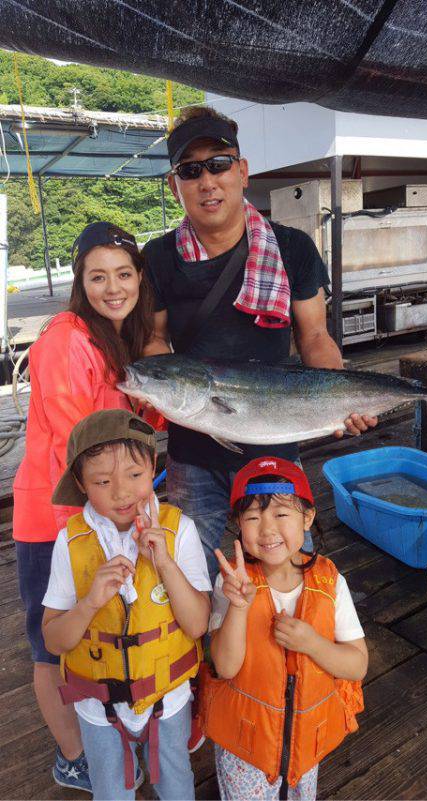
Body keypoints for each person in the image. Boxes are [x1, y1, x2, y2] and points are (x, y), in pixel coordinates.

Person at [142, 105, 378, 586]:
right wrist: (157, 385)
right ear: (175, 185)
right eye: (190, 170)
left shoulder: (291, 248)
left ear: (242, 171)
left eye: (219, 164)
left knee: (288, 573)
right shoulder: (159, 257)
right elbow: (154, 338)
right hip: (191, 452)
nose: (207, 181)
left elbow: (313, 336)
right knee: (194, 575)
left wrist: (344, 398)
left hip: (276, 446)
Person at [13, 222, 154, 793]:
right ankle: (75, 757)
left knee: (95, 631)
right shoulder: (67, 340)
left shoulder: (117, 341)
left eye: (123, 274)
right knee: (52, 643)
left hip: (102, 514)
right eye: (98, 276)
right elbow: (85, 442)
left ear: (140, 279)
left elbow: (139, 426)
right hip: (53, 522)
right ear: (80, 283)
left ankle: (106, 738)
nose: (113, 287)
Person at [42, 409, 211, 801]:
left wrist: (164, 562)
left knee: (176, 786)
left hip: (167, 702)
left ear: (153, 466)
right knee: (111, 792)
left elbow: (198, 624)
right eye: (102, 481)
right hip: (97, 709)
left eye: (135, 476)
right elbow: (54, 641)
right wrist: (88, 604)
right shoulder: (70, 543)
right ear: (81, 484)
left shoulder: (179, 530)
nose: (121, 492)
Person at [202, 456, 368, 800]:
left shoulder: (330, 581)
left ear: (307, 517)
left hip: (305, 749)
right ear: (237, 523)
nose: (267, 529)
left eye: (281, 514)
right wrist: (238, 607)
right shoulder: (231, 582)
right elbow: (226, 667)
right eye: (252, 517)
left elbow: (357, 665)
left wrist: (311, 643)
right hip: (245, 750)